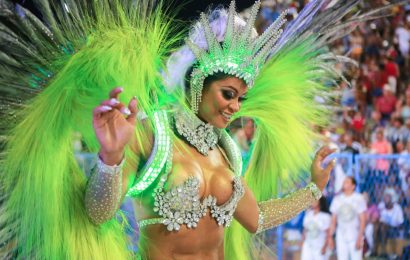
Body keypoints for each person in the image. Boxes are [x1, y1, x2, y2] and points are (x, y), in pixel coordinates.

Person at [0, 0, 396, 259]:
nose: (235, 107)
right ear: (195, 83)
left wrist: (314, 188)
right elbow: (97, 212)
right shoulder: (152, 137)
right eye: (228, 93)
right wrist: (111, 157)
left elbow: (256, 218)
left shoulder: (228, 151)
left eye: (241, 98)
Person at [328, 176, 367, 260]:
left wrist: (360, 237)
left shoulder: (358, 198)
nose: (344, 183)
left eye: (347, 182)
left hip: (355, 235)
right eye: (344, 181)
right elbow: (333, 221)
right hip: (341, 235)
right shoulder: (337, 199)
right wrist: (330, 237)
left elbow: (363, 220)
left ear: (353, 186)